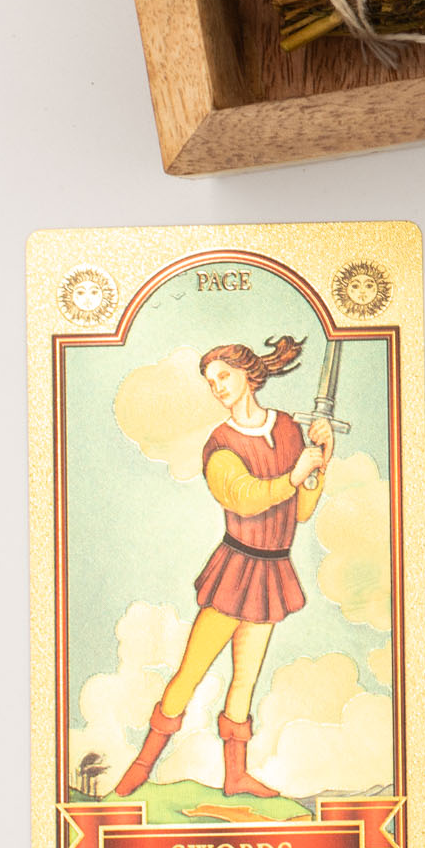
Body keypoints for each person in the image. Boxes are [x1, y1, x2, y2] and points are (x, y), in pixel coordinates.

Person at [111, 339, 333, 799]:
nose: (217, 388)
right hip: (237, 570)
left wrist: (320, 463)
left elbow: (300, 511)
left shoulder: (288, 429)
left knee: (246, 680)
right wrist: (294, 476)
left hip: (272, 570)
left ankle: (235, 777)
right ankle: (141, 767)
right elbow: (244, 498)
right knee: (190, 673)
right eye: (211, 382)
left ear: (248, 374)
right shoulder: (221, 444)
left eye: (223, 377)